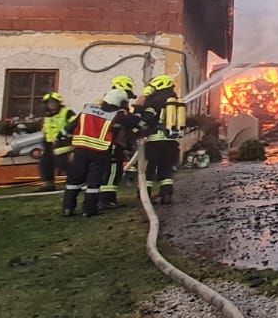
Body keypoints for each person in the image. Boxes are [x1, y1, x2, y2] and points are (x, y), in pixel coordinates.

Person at [61, 87, 134, 217]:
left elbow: (69, 128)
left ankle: (68, 208)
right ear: (121, 102)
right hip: (100, 151)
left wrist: (62, 138)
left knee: (74, 179)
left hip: (80, 150)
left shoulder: (87, 109)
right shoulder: (117, 114)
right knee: (94, 182)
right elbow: (133, 123)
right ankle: (89, 210)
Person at [135, 74, 187, 204]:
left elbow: (147, 117)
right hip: (171, 141)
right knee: (166, 168)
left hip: (155, 140)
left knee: (150, 168)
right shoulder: (174, 100)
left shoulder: (155, 101)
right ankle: (167, 195)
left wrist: (137, 125)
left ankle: (145, 196)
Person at [100, 74, 138, 209]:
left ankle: (109, 199)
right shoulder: (113, 107)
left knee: (113, 171)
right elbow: (126, 122)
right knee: (112, 171)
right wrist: (138, 115)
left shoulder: (107, 104)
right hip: (113, 143)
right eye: (127, 94)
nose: (128, 98)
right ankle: (105, 201)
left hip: (112, 143)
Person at [39, 90, 74, 191]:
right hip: (50, 143)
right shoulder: (47, 115)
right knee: (45, 163)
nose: (51, 105)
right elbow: (46, 129)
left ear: (59, 103)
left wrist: (66, 137)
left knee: (63, 163)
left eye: (53, 103)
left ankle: (75, 180)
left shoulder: (67, 112)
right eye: (49, 103)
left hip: (64, 143)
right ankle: (48, 183)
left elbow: (75, 125)